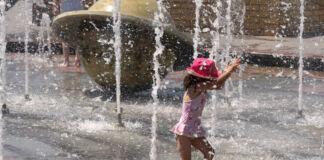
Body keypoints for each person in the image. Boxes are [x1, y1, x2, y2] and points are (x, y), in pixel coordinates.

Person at [172, 56, 241, 160]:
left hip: (195, 129)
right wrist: (230, 70)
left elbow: (218, 86)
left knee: (210, 153)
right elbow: (217, 83)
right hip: (183, 133)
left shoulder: (201, 86)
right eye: (210, 76)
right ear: (200, 77)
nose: (212, 78)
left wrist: (227, 73)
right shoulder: (195, 87)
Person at [59, 0, 83, 67]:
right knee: (78, 34)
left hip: (66, 7)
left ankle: (66, 61)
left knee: (65, 34)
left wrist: (55, 7)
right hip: (78, 6)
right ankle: (77, 60)